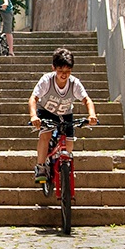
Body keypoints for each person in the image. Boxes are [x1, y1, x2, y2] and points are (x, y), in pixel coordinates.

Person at [28, 47, 98, 184]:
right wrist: (33, 116)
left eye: (67, 72)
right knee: (45, 135)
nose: (64, 75)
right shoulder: (46, 81)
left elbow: (87, 100)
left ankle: (66, 168)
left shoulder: (74, 83)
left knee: (70, 142)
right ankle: (41, 167)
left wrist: (92, 115)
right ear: (53, 68)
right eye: (60, 71)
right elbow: (33, 99)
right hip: (46, 112)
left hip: (65, 114)